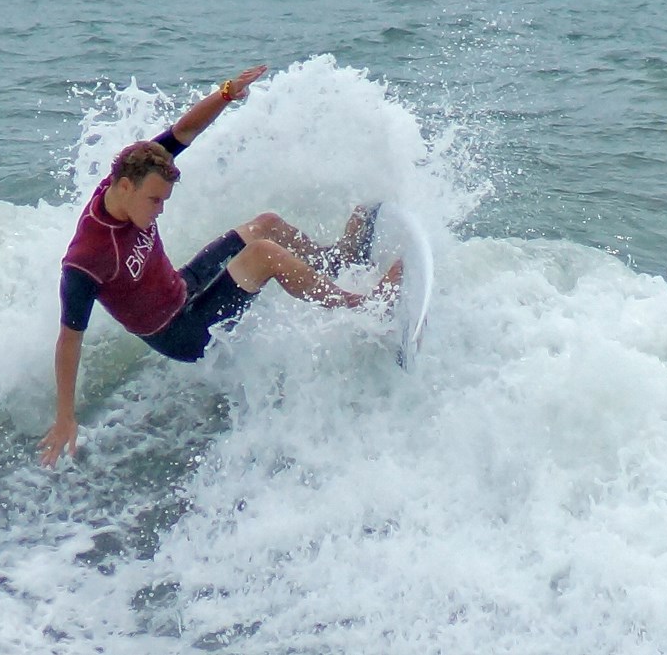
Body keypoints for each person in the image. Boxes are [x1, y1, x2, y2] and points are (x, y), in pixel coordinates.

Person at [38, 65, 401, 468]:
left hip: (182, 287)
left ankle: (340, 257)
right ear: (125, 188)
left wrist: (227, 93)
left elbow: (183, 133)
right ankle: (363, 304)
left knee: (266, 225)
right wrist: (65, 416)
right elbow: (69, 339)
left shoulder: (134, 173)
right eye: (155, 201)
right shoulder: (87, 259)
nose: (160, 211)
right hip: (181, 334)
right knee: (263, 253)